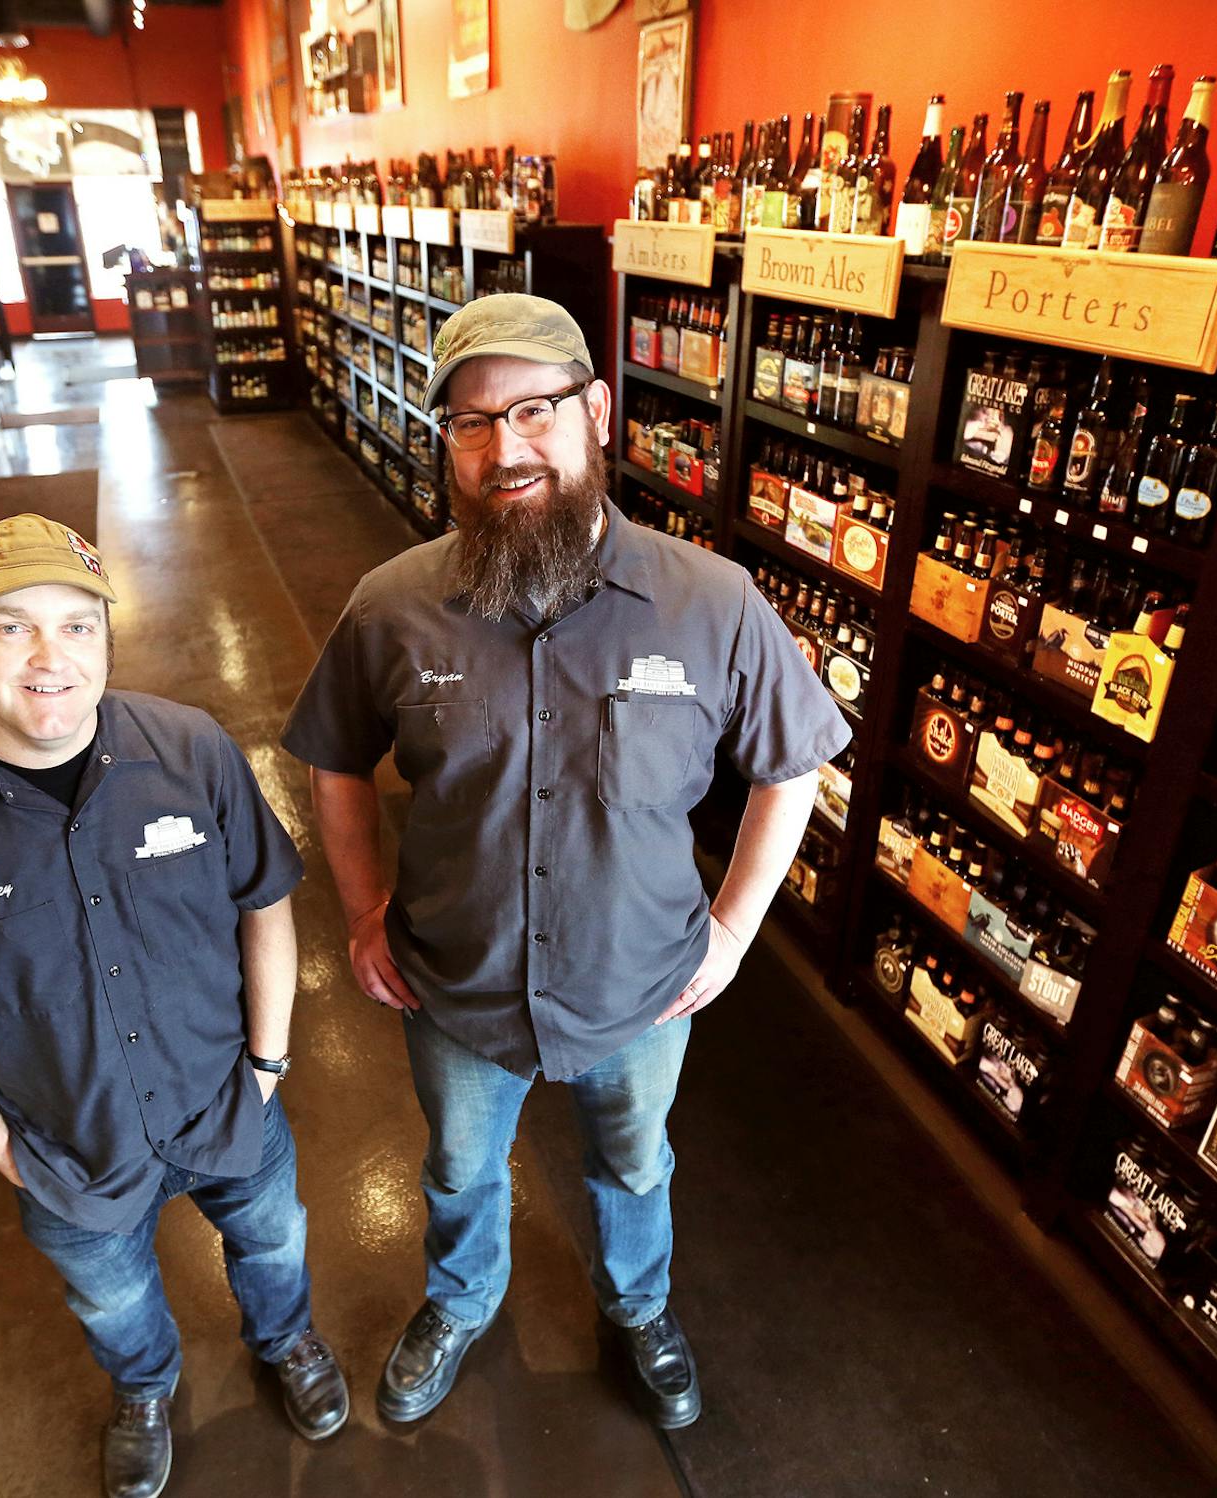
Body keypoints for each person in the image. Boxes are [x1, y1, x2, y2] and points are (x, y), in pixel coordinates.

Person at [282, 296, 850, 1428]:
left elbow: (796, 765)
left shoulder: (710, 601)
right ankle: (463, 1297)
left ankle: (638, 1305)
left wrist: (733, 930)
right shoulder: (391, 606)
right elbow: (332, 761)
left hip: (644, 986)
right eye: (471, 422)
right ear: (447, 438)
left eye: (534, 410)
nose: (505, 448)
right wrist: (359, 913)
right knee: (456, 1170)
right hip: (455, 982)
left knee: (636, 1167)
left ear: (597, 412)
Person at [0, 515, 346, 1498]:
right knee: (111, 1297)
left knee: (274, 1237)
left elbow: (265, 903)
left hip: (228, 1103)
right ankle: (145, 1388)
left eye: (79, 624)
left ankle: (289, 1340)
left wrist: (267, 1068)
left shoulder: (191, 751)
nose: (51, 658)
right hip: (67, 1148)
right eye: (12, 625)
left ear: (108, 631)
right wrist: (6, 1149)